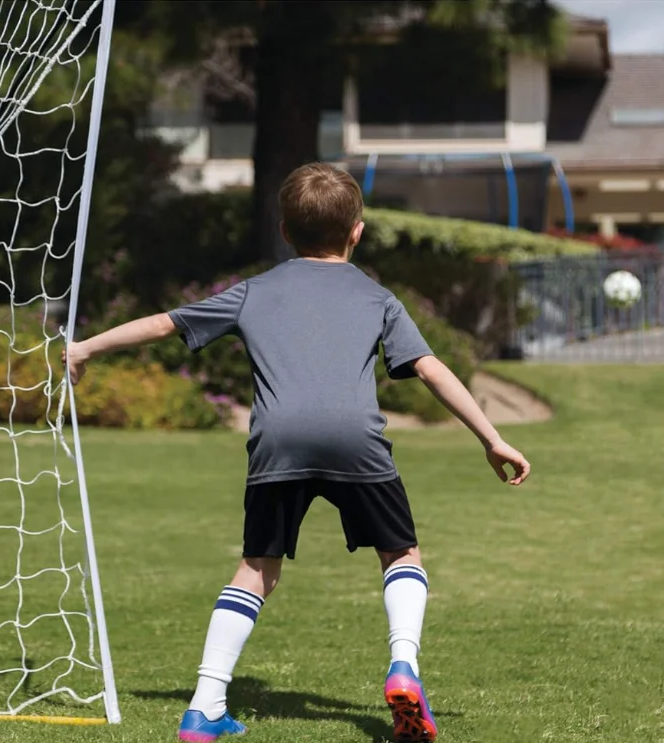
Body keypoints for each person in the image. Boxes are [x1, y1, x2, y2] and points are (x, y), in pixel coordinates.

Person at [62, 163, 530, 742]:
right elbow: (431, 369)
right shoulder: (377, 297)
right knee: (400, 554)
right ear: (357, 232)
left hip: (278, 443)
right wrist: (492, 438)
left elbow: (164, 324)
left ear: (284, 230)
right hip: (356, 442)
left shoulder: (253, 292)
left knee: (257, 568)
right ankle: (403, 667)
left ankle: (204, 706)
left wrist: (84, 348)